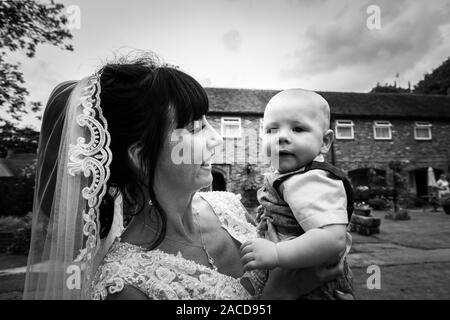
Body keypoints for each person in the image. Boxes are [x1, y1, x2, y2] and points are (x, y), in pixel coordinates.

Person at [24, 53, 348, 300]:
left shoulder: (229, 207)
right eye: (194, 128)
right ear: (140, 156)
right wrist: (279, 295)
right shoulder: (128, 286)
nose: (217, 139)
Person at [240, 89, 355, 299]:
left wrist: (276, 253)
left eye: (298, 128)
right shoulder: (291, 177)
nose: (282, 137)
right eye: (271, 130)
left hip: (313, 287)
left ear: (325, 142)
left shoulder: (313, 179)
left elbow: (333, 240)